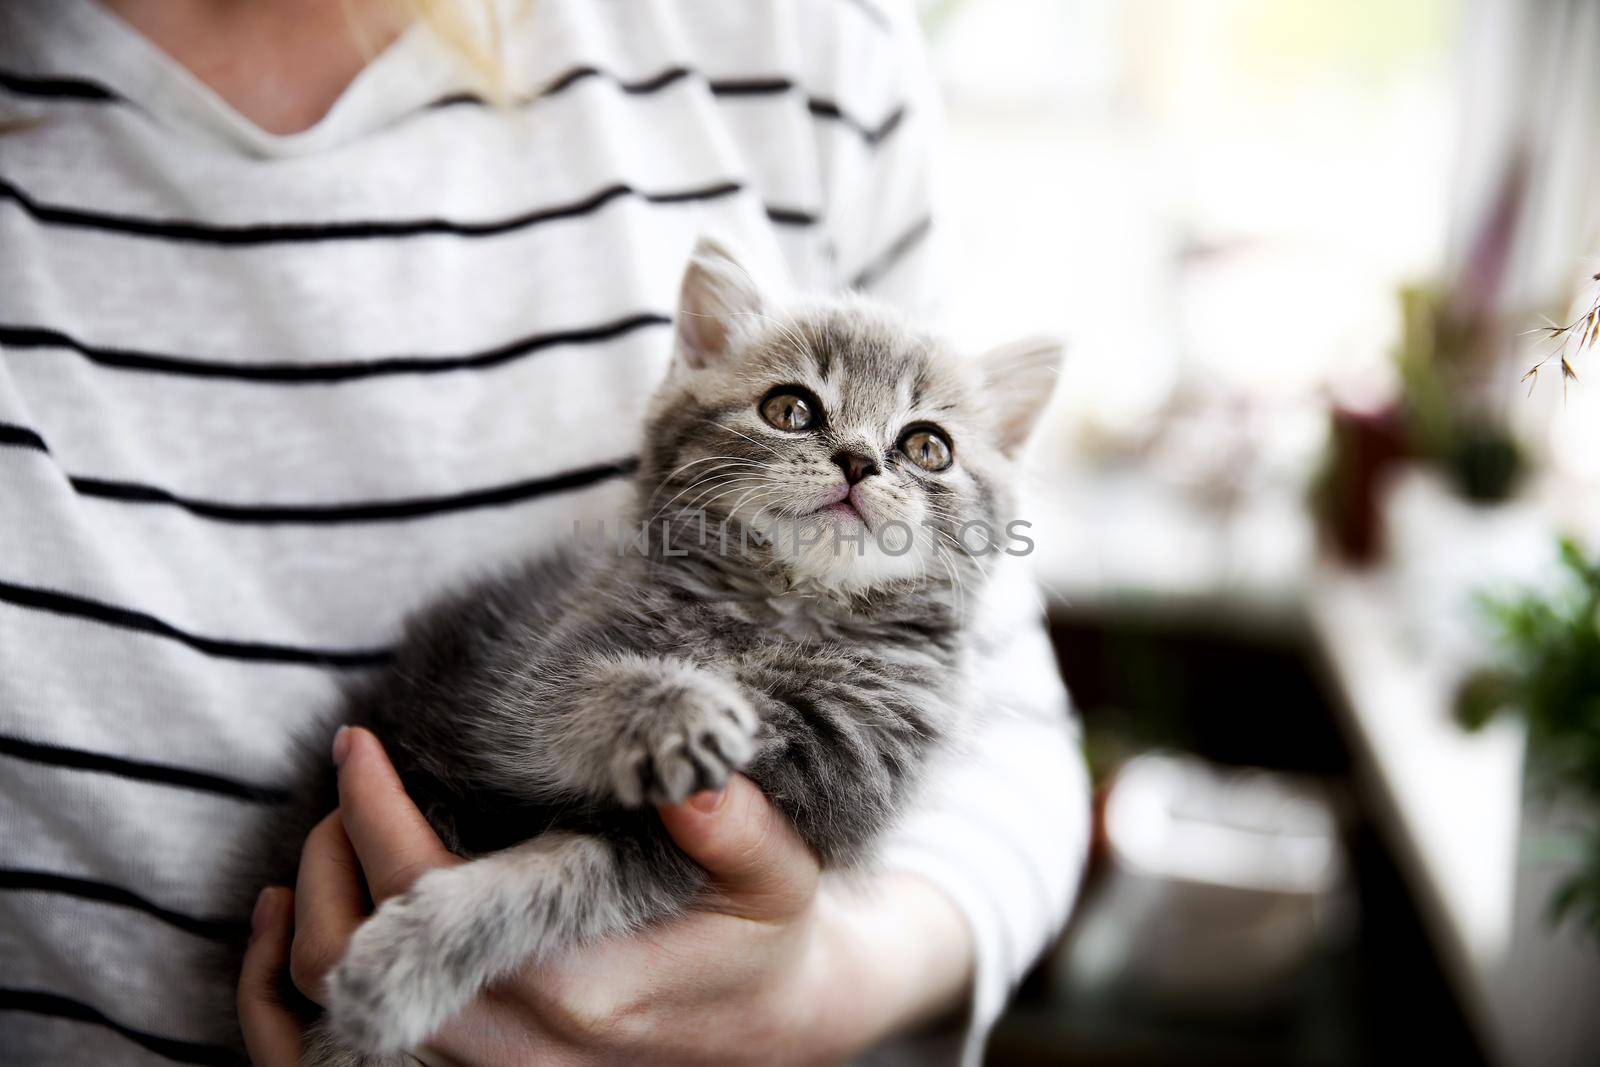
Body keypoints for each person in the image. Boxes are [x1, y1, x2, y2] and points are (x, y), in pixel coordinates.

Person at [0, 1, 1089, 1063]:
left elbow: (1013, 748)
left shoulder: (805, 36)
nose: (861, 459)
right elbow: (542, 718)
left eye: (925, 449)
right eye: (800, 410)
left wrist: (810, 992)